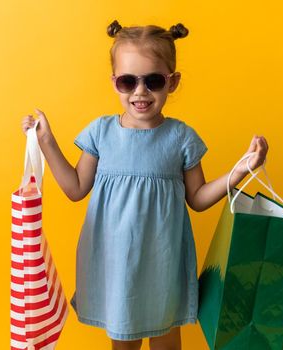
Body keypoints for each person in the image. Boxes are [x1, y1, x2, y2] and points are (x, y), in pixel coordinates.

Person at [20, 20, 268, 350]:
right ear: (114, 83)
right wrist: (47, 141)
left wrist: (239, 171)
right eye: (128, 81)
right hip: (116, 265)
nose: (140, 92)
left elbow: (197, 196)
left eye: (153, 81)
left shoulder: (181, 137)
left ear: (172, 81)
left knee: (166, 342)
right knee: (124, 343)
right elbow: (76, 187)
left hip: (163, 265)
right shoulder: (100, 133)